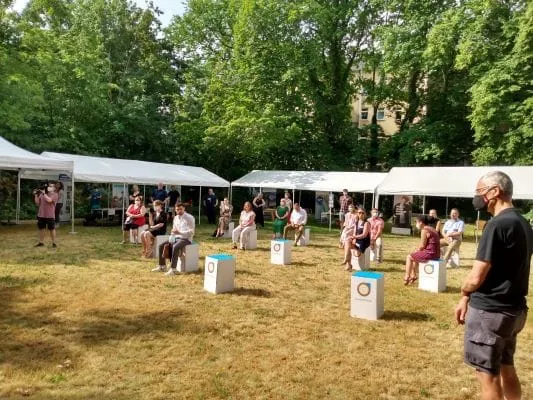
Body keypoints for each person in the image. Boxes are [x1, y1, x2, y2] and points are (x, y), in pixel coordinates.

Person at [455, 171, 532, 400]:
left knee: (487, 375)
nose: (476, 197)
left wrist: (464, 293)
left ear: (495, 191)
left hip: (490, 313)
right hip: (514, 311)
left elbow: (476, 277)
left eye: (479, 191)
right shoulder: (523, 223)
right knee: (507, 365)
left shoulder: (496, 225)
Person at [152, 202, 196, 276]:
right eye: (177, 210)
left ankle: (173, 269)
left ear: (184, 209)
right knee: (161, 245)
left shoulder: (190, 217)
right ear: (175, 210)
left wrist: (179, 232)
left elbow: (192, 232)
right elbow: (174, 229)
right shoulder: (175, 218)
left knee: (175, 247)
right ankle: (162, 266)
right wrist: (172, 235)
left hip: (186, 239)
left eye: (180, 209)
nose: (179, 211)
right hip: (176, 237)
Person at [403, 215, 440, 285]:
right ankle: (413, 275)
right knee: (415, 256)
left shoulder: (424, 230)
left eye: (416, 222)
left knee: (409, 257)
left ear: (421, 222)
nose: (416, 224)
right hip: (436, 254)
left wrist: (417, 250)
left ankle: (407, 276)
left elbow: (422, 245)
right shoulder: (432, 229)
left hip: (430, 253)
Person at [34, 182, 59, 247]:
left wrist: (44, 194)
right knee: (42, 228)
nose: (49, 187)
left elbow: (49, 200)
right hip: (41, 214)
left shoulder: (55, 194)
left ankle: (54, 243)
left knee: (52, 229)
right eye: (49, 186)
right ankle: (41, 242)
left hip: (50, 215)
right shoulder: (42, 194)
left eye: (51, 186)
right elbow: (37, 203)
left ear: (54, 188)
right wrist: (36, 195)